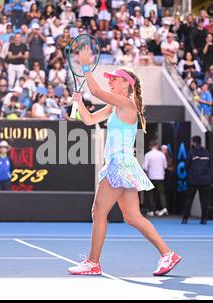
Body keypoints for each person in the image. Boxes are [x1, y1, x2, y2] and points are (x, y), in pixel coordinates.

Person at [68, 46, 181, 276]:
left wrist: (87, 67)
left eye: (114, 79)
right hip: (124, 165)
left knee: (98, 211)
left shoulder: (128, 104)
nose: (110, 82)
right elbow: (89, 120)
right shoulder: (115, 106)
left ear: (126, 85)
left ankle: (93, 262)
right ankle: (168, 254)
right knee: (132, 217)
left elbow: (97, 91)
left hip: (119, 165)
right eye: (109, 79)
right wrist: (79, 103)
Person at [181, 136, 210, 225]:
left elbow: (186, 166)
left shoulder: (191, 152)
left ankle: (185, 219)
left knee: (189, 200)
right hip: (205, 180)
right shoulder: (207, 152)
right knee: (204, 200)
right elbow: (210, 165)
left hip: (193, 180)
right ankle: (204, 219)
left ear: (193, 142)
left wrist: (191, 173)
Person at [143, 141, 168, 217]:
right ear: (156, 146)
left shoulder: (148, 155)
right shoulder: (162, 155)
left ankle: (152, 210)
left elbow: (145, 167)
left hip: (151, 176)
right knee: (161, 193)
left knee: (150, 194)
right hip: (160, 177)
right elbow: (165, 166)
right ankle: (164, 208)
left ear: (150, 146)